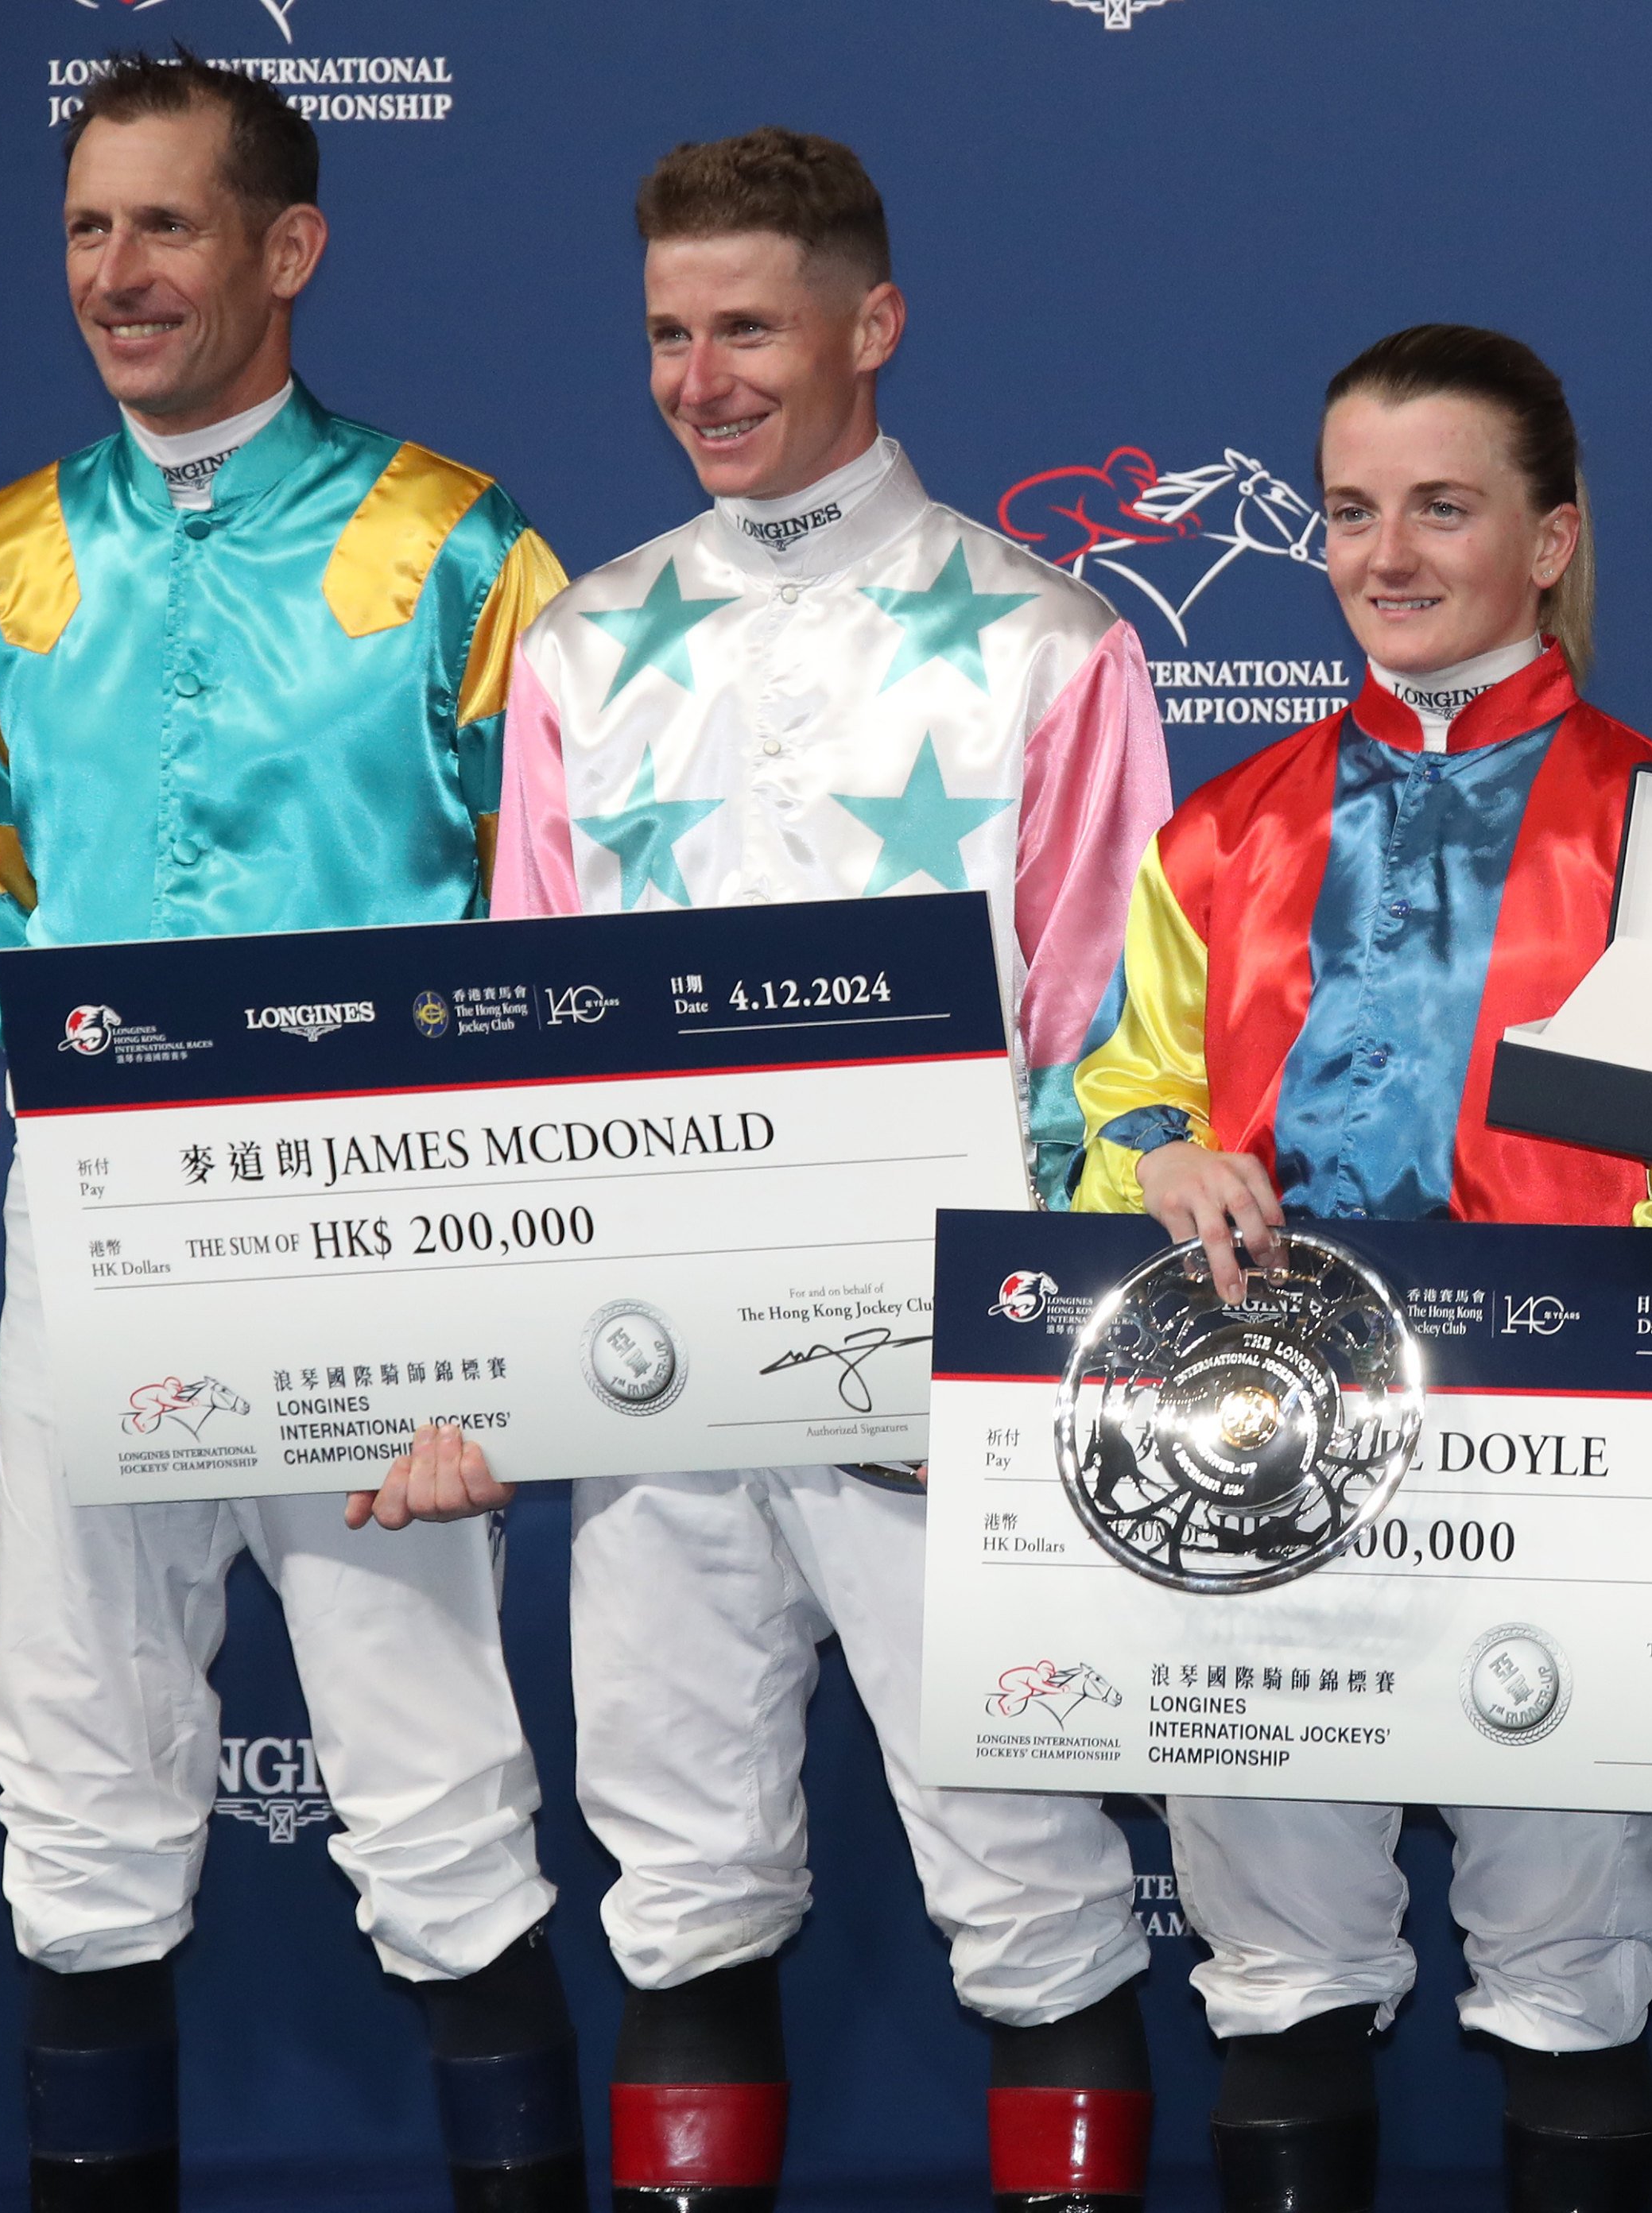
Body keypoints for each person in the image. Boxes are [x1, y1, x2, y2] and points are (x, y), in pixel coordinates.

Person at [467, 129, 1173, 2213]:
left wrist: (1001, 1366)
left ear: (869, 324)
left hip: (931, 1395)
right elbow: (525, 1033)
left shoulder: (1048, 644)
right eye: (668, 335)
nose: (699, 377)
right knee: (675, 1894)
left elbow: (1101, 1036)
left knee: (1033, 1896)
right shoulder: (583, 647)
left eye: (746, 327)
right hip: (654, 1390)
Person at [0, 52, 580, 2213]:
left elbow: (550, 928)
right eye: (86, 231)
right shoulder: (2, 566)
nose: (118, 276)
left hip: (381, 1259)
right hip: (97, 1254)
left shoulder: (459, 544)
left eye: (168, 226)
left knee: (437, 1807)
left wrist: (489, 1295)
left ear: (287, 248)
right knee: (83, 1813)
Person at [1072, 323, 1652, 2213]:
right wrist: (1154, 1154)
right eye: (1355, 511)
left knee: (1569, 1967)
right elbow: (1122, 1090)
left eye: (1444, 508)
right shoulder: (1219, 830)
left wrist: (1617, 1308)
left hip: (1562, 1475)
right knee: (1280, 1972)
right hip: (1251, 1456)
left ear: (1550, 541)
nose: (1390, 555)